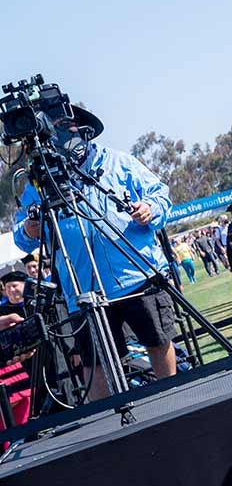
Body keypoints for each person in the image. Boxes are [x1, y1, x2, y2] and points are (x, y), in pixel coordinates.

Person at [13, 106, 176, 400]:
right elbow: (21, 237)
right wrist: (29, 229)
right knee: (93, 361)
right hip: (84, 290)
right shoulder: (39, 180)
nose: (61, 133)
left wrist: (150, 209)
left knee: (158, 340)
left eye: (66, 124)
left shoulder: (118, 162)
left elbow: (160, 194)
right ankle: (108, 423)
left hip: (137, 274)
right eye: (53, 127)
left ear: (83, 128)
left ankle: (175, 399)